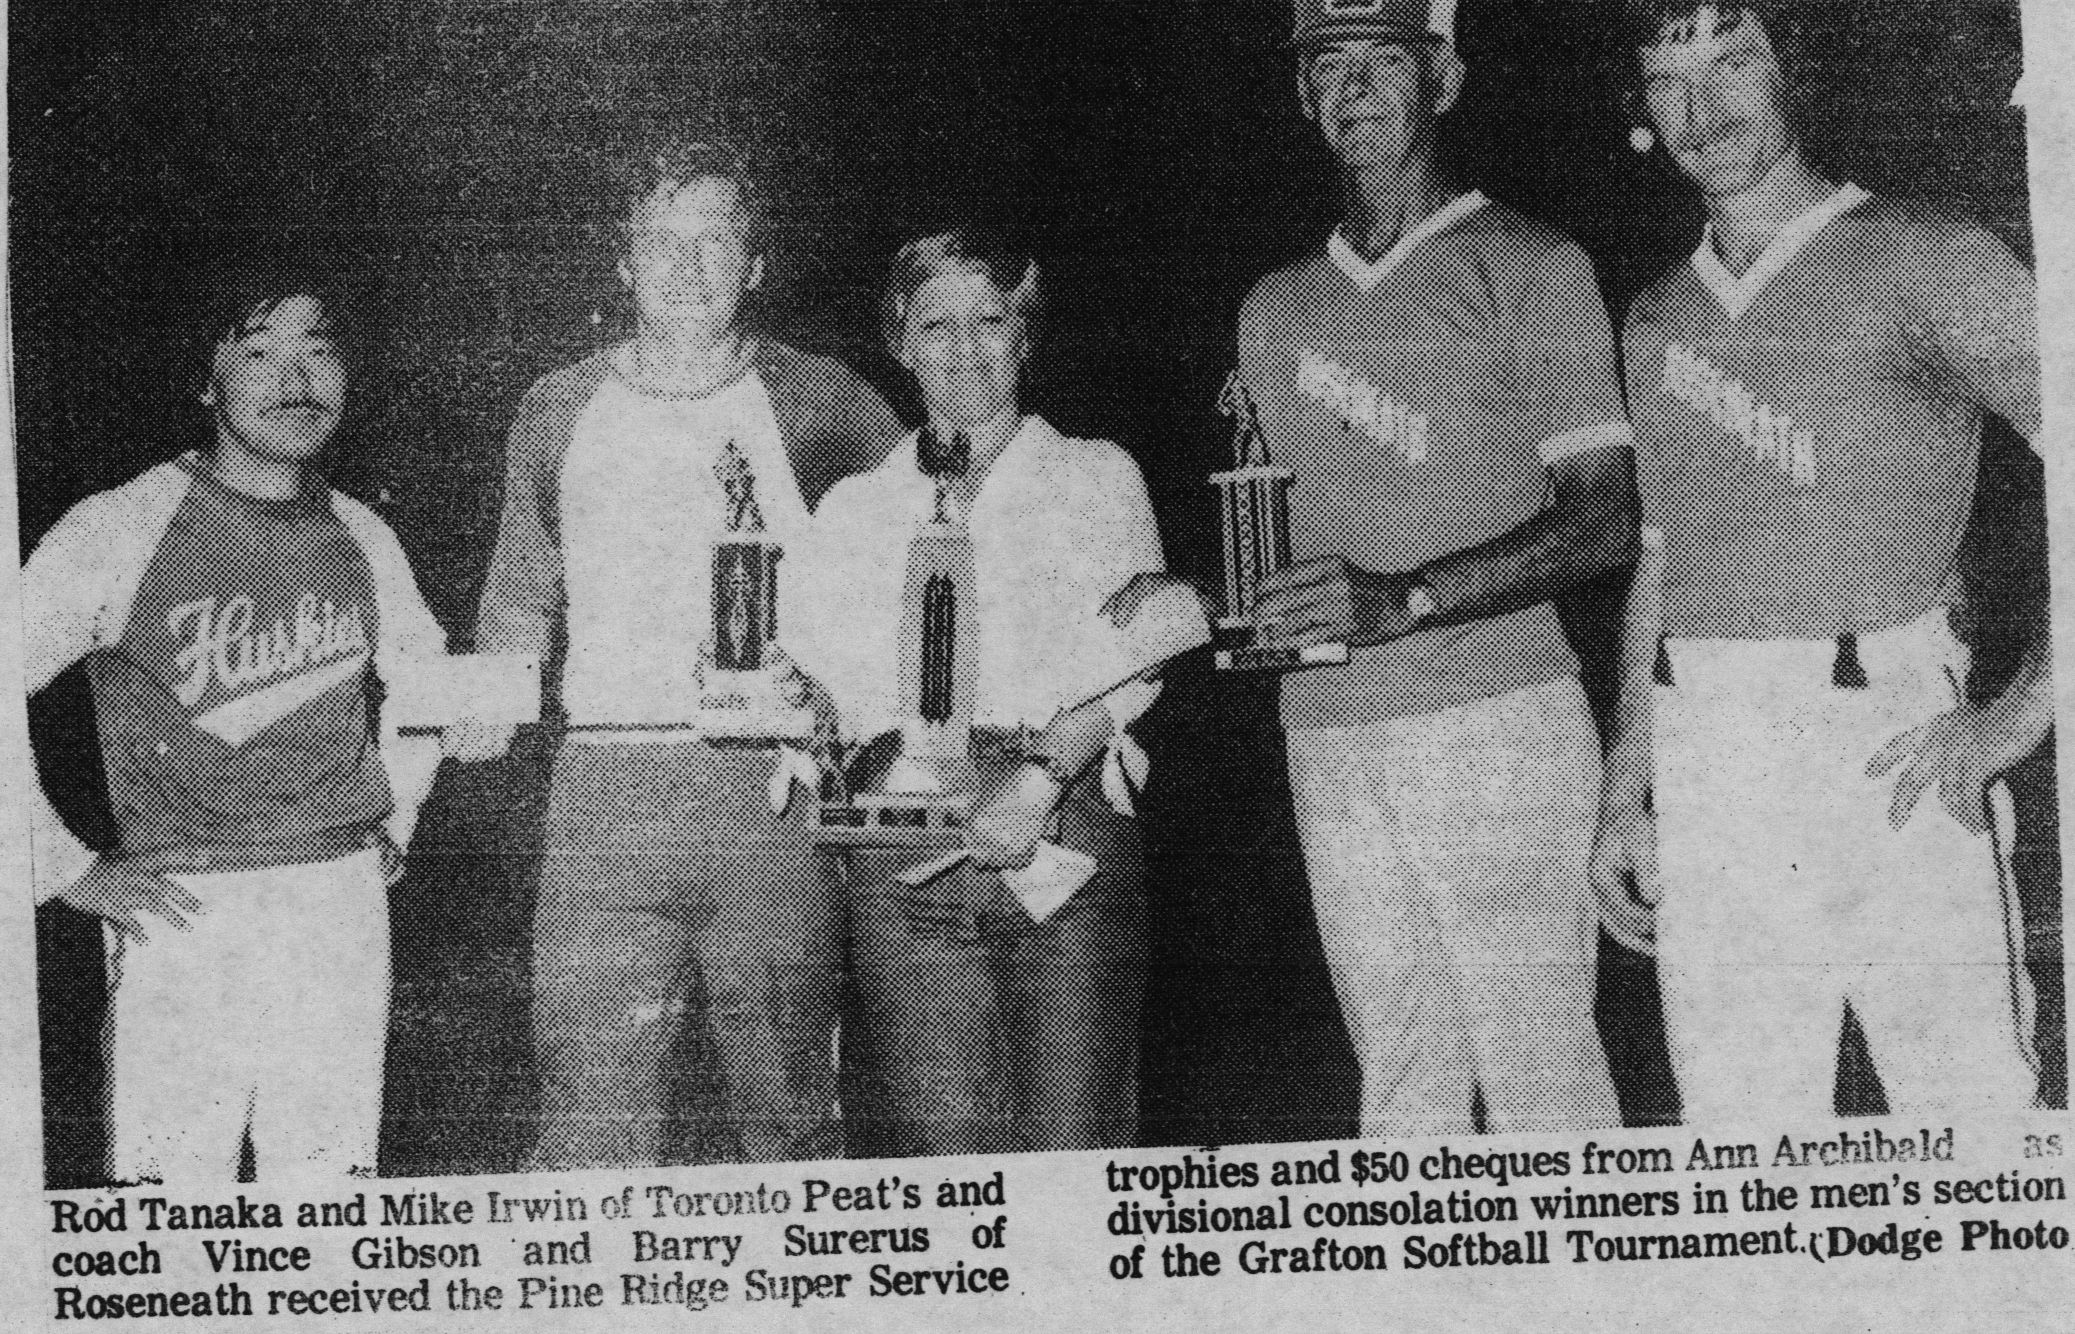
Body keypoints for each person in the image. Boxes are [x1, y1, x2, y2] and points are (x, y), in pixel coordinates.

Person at [1594, 0, 2047, 1121]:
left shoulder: (1926, 254)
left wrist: (2022, 711)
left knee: (1973, 1133)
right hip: (1706, 755)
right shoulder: (1653, 317)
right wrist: (1622, 783)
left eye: (1731, 61)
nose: (1700, 109)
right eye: (1665, 77)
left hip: (1883, 737)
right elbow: (1661, 560)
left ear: (1789, 68)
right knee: (1743, 1152)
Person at [453, 135, 902, 1167]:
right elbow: (519, 593)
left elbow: (922, 568)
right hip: (603, 794)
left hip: (769, 799)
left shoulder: (822, 399)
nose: (687, 266)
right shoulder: (555, 405)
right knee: (587, 1126)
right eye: (662, 241)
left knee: (789, 1119)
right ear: (622, 261)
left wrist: (837, 698)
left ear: (755, 264)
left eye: (716, 239)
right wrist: (469, 708)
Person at [1230, 0, 1637, 1135]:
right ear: (1302, 96)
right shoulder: (1271, 306)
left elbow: (1601, 519)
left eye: (1384, 63)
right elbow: (1272, 536)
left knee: (1540, 1080)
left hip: (1494, 716)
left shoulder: (1531, 263)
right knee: (1399, 1081)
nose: (1354, 89)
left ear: (1443, 78)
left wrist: (1403, 598)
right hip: (1326, 726)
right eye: (1328, 67)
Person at [21, 258, 447, 1182]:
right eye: (260, 353)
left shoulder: (365, 534)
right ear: (205, 379)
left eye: (317, 350)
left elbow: (425, 689)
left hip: (336, 904)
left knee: (331, 1203)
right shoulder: (122, 526)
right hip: (184, 909)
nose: (295, 382)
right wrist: (58, 866)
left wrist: (395, 819)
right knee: (170, 1210)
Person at [788, 226, 1174, 1155]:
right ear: (899, 343)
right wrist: (791, 712)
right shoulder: (850, 508)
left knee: (1073, 1162)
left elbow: (1139, 664)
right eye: (935, 327)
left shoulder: (1096, 474)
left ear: (1025, 336)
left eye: (989, 323)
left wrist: (1038, 782)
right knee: (944, 1169)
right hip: (902, 853)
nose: (964, 350)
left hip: (1059, 825)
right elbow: (815, 703)